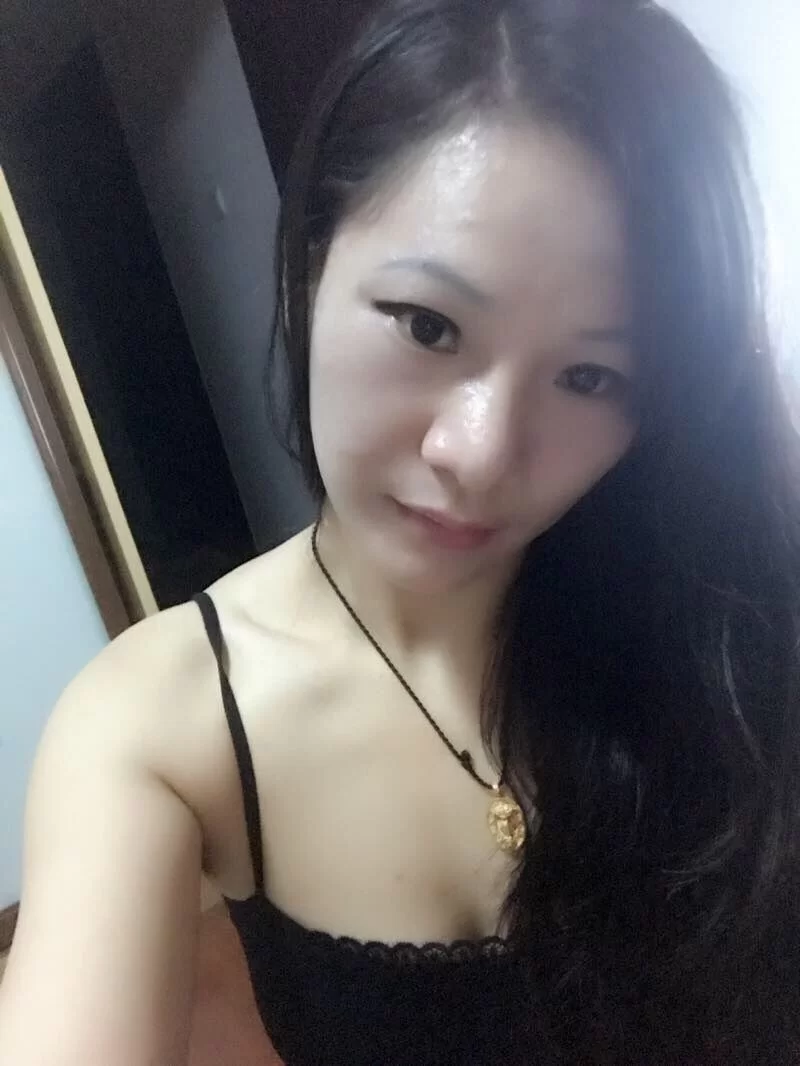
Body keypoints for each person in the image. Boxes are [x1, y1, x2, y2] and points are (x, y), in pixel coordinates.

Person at [1, 0, 799, 1062]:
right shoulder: (160, 723)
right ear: (310, 265)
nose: (481, 454)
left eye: (590, 377)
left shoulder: (722, 612)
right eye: (429, 325)